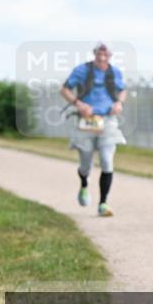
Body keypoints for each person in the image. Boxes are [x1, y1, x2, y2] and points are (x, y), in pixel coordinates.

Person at [60, 42, 128, 217]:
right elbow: (64, 89)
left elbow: (123, 91)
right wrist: (79, 104)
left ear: (110, 55)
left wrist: (119, 103)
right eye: (100, 53)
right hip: (87, 121)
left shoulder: (115, 72)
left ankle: (103, 203)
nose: (103, 56)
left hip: (108, 120)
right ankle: (84, 184)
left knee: (107, 160)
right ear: (95, 54)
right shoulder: (81, 70)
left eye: (106, 53)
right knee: (85, 164)